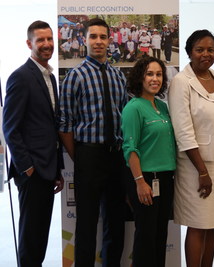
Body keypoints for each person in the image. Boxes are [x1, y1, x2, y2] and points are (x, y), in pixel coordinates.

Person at [58, 18, 127, 266]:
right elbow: (65, 123)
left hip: (116, 156)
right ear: (84, 40)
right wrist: (80, 156)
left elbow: (123, 117)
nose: (98, 41)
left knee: (115, 221)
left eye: (103, 37)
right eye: (93, 37)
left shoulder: (119, 77)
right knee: (86, 222)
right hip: (88, 155)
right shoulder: (74, 77)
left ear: (109, 40)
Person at [168, 29, 214, 267]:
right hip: (195, 166)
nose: (206, 54)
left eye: (210, 50)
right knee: (197, 224)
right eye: (200, 50)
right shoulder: (180, 82)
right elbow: (183, 130)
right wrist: (202, 172)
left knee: (212, 224)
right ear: (189, 53)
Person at [2, 20, 64, 267]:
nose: (47, 44)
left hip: (47, 171)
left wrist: (56, 169)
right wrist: (28, 168)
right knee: (30, 239)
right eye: (41, 40)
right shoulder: (20, 77)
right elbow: (10, 129)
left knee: (39, 237)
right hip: (32, 173)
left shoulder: (50, 77)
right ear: (30, 43)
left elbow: (51, 128)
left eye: (50, 39)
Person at [121, 57, 176, 267]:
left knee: (160, 234)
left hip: (165, 179)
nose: (155, 79)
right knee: (146, 236)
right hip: (144, 179)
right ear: (140, 77)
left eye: (159, 74)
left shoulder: (162, 107)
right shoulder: (133, 108)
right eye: (150, 74)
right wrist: (139, 182)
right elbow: (130, 149)